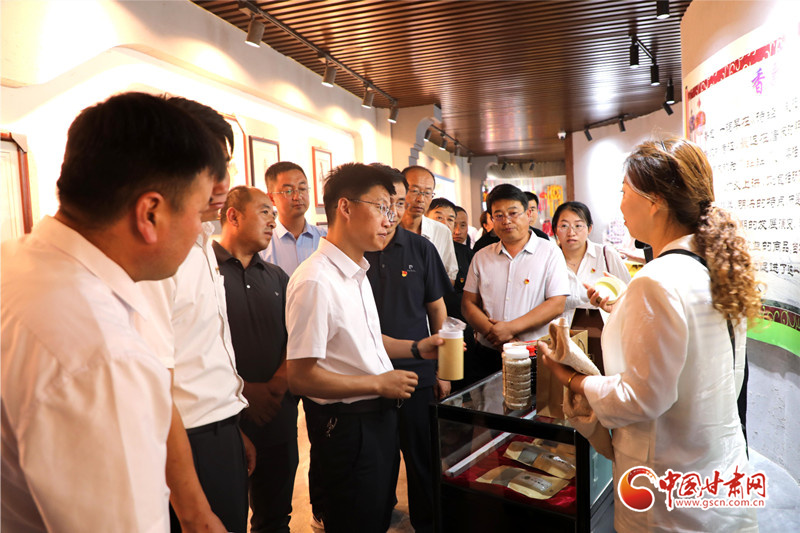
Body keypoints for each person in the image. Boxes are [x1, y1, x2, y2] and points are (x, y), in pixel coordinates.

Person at [1, 91, 223, 532]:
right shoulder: (105, 357)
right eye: (199, 211)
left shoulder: (15, 262)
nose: (201, 227)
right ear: (150, 213)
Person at [542, 138, 760, 532]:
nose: (621, 205)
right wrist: (622, 306)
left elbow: (642, 397)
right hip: (713, 470)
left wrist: (573, 380)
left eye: (624, 192)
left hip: (665, 488)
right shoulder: (713, 268)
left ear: (654, 200)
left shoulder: (658, 280)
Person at [285, 163, 444, 533]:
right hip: (348, 426)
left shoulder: (356, 272)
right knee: (356, 519)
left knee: (375, 515)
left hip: (376, 420)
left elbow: (367, 341)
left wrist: (418, 348)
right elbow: (300, 377)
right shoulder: (316, 280)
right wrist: (376, 383)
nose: (391, 219)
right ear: (345, 207)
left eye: (393, 208)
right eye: (381, 208)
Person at [138, 97, 253, 533]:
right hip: (184, 441)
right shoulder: (157, 253)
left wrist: (232, 426)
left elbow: (203, 352)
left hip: (218, 427)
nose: (223, 182)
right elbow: (155, 388)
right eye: (211, 167)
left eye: (225, 165)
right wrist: (192, 507)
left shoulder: (204, 240)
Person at [364, 165, 452, 533]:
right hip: (367, 377)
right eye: (386, 203)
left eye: (399, 203)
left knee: (423, 461)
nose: (394, 211)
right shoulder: (356, 250)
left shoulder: (422, 248)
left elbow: (438, 311)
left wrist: (444, 370)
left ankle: (427, 525)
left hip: (418, 375)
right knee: (375, 464)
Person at [214, 186, 297, 533]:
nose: (273, 222)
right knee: (225, 518)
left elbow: (298, 337)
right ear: (233, 216)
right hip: (224, 421)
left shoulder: (277, 276)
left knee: (275, 518)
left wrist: (277, 384)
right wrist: (246, 391)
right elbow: (196, 347)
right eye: (265, 212)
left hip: (278, 415)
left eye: (273, 215)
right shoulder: (205, 272)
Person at [462, 184, 570, 381]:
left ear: (528, 214)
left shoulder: (550, 252)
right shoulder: (481, 257)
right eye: (499, 215)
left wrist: (510, 329)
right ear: (491, 219)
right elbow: (468, 304)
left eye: (513, 213)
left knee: (536, 401)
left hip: (535, 352)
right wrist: (497, 335)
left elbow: (557, 303)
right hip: (488, 354)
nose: (507, 221)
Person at [552, 201, 631, 371]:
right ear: (555, 230)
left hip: (604, 338)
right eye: (564, 226)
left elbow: (629, 294)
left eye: (578, 225)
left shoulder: (606, 255)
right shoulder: (549, 260)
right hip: (561, 340)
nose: (571, 232)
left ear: (589, 229)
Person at [261, 161, 327, 276]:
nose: (297, 196)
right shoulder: (263, 245)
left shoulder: (326, 238)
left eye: (302, 188)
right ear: (271, 198)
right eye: (288, 191)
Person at [400, 165, 459, 281]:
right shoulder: (386, 228)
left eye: (427, 193)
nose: (421, 199)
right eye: (414, 191)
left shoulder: (441, 232)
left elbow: (450, 275)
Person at [448, 205, 478, 391]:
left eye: (463, 225)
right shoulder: (425, 250)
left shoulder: (470, 255)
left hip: (466, 328)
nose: (457, 231)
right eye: (453, 224)